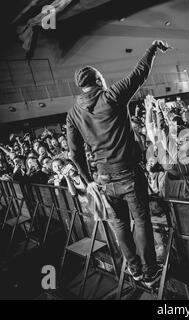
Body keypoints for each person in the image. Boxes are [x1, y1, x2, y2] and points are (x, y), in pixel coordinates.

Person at [66, 40, 170, 287]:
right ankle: (149, 271)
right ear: (99, 80)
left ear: (81, 87)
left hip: (103, 179)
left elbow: (74, 153)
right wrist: (152, 48)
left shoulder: (73, 114)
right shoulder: (110, 96)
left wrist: (88, 181)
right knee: (142, 220)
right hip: (128, 174)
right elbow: (139, 74)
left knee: (120, 223)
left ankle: (134, 269)